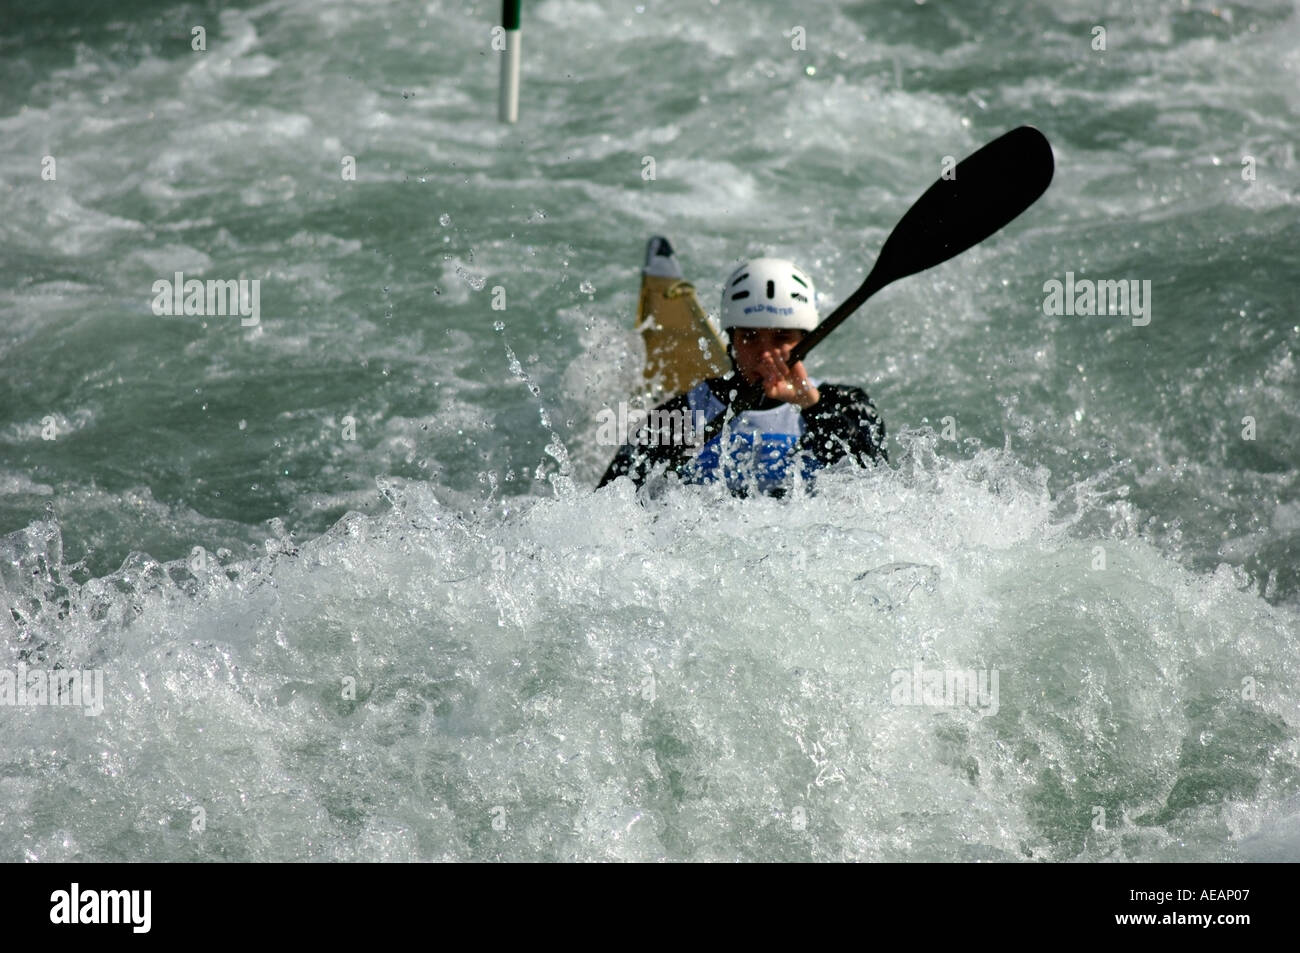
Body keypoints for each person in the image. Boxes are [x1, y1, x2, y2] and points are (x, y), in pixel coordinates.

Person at [597, 257, 886, 496]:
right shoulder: (681, 414)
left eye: (781, 337)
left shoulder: (845, 405)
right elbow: (610, 502)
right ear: (731, 341)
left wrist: (812, 405)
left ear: (804, 339)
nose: (764, 353)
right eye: (749, 337)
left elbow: (877, 488)